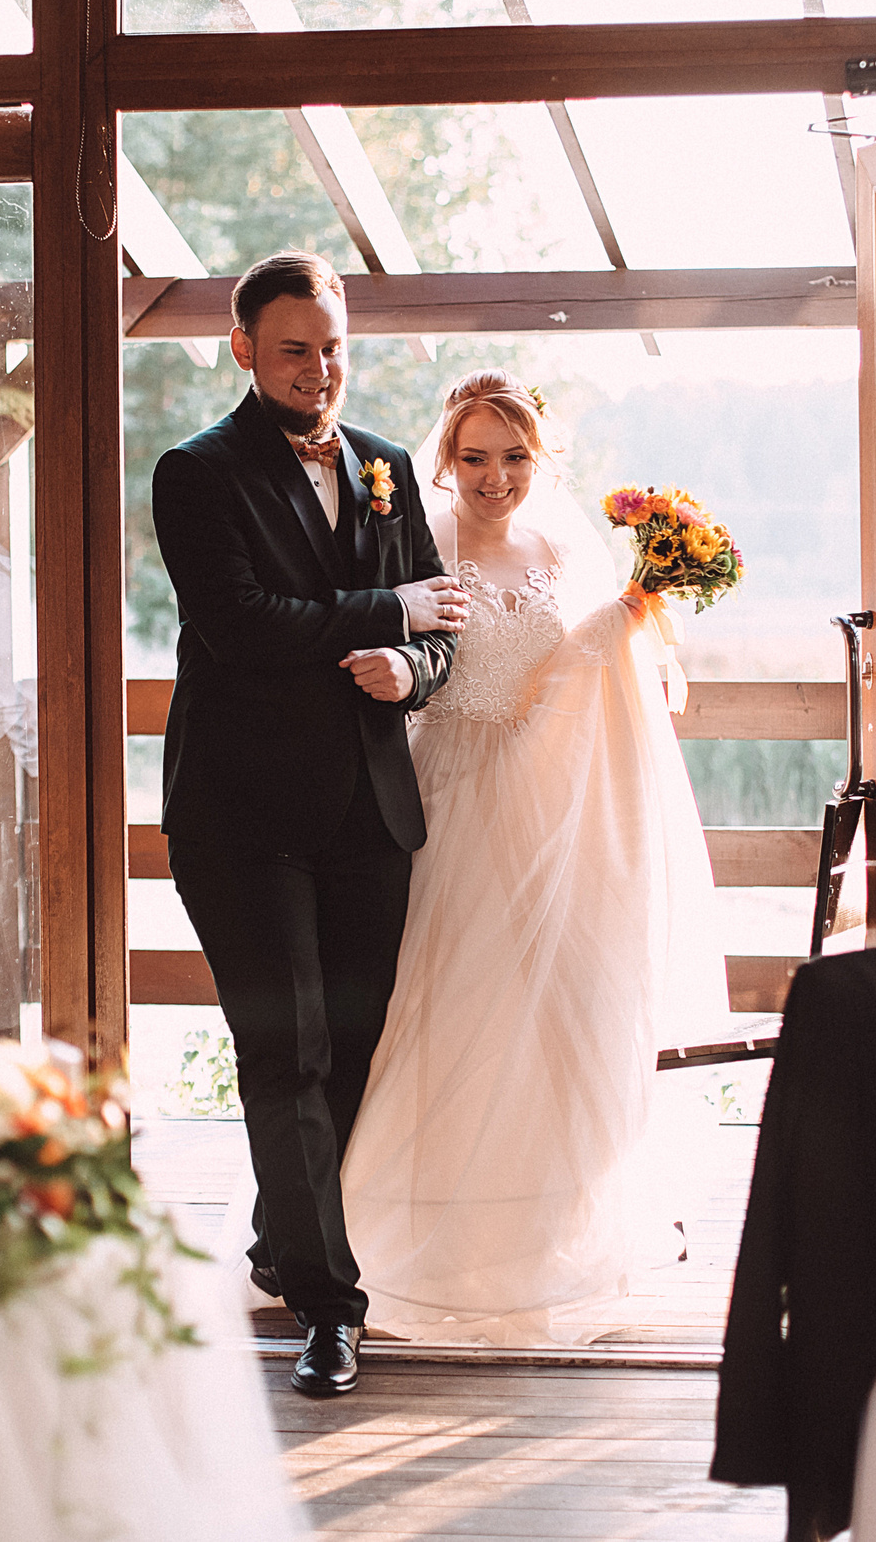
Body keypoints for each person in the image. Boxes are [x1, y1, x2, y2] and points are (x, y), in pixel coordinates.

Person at [339, 369, 730, 1346]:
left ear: (540, 458)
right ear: (446, 457)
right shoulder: (419, 537)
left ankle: (548, 1228)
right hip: (449, 795)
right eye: (473, 456)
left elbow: (579, 672)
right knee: (448, 1004)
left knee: (552, 1011)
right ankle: (409, 1235)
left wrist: (634, 609)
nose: (492, 476)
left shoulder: (564, 543)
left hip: (548, 803)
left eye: (511, 456)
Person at [149, 251, 466, 1397]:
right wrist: (387, 610)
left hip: (368, 812)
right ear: (242, 350)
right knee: (284, 1054)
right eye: (293, 349)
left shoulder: (384, 466)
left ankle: (286, 1242)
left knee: (351, 1052)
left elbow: (445, 621)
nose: (318, 370)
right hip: (242, 818)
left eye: (332, 347)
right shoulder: (194, 473)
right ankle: (328, 1310)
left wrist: (412, 668)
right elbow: (239, 625)